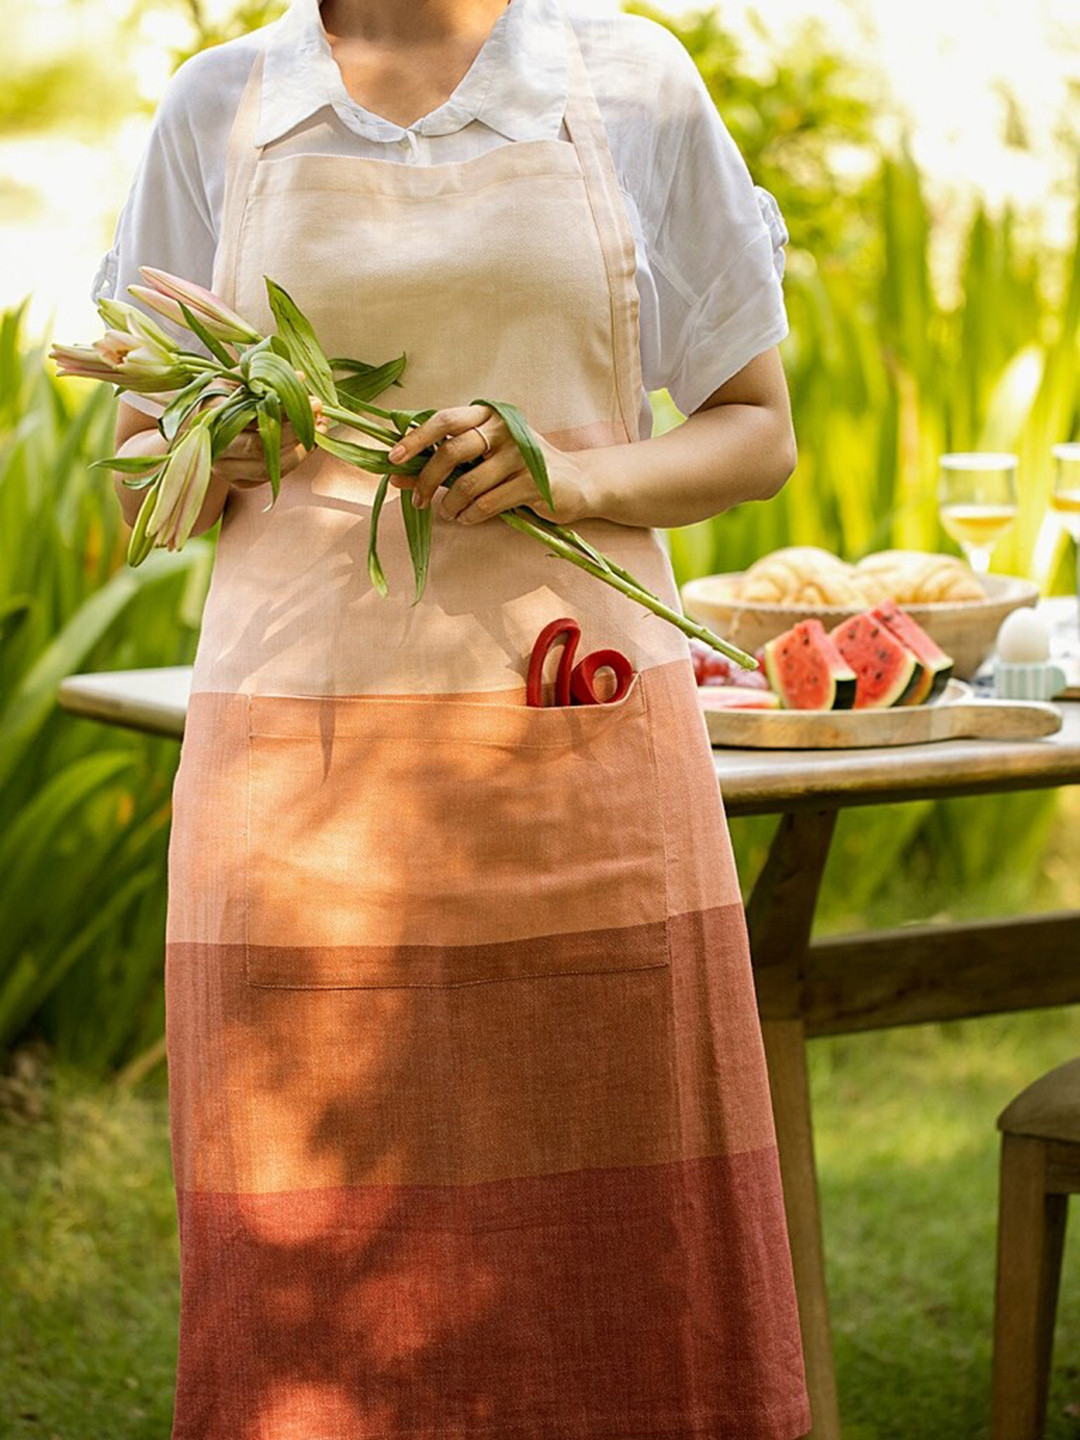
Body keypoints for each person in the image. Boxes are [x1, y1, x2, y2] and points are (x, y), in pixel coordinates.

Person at [95, 2, 811, 1436]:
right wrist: (216, 442)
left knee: (632, 1228)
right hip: (302, 772)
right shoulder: (220, 106)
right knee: (311, 1235)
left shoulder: (630, 82)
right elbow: (133, 470)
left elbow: (756, 428)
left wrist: (567, 477)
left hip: (573, 733)